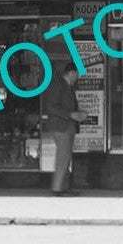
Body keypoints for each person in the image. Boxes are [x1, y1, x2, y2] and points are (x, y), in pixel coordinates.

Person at [42, 61, 86, 196]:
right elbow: (51, 106)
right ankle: (58, 188)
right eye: (77, 75)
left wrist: (78, 113)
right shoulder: (58, 85)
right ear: (72, 73)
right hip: (61, 127)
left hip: (68, 126)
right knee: (63, 157)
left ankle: (64, 187)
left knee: (66, 157)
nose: (78, 78)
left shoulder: (68, 87)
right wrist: (71, 114)